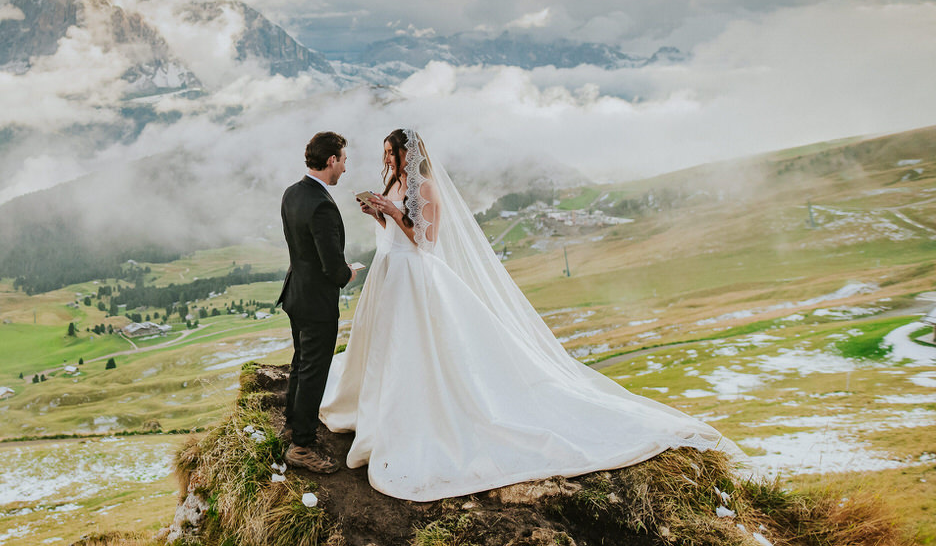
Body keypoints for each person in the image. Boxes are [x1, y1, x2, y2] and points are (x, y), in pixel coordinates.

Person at [320, 128, 739, 501]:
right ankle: (377, 408)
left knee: (418, 347)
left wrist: (394, 213)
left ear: (410, 154)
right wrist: (379, 213)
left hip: (415, 276)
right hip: (390, 274)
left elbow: (426, 242)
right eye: (386, 153)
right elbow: (394, 230)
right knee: (386, 346)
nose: (387, 159)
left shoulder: (426, 187)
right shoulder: (394, 182)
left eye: (392, 152)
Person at [277, 131, 357, 474]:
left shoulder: (292, 193)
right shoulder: (322, 205)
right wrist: (350, 273)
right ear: (330, 161)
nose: (344, 168)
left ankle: (293, 426)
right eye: (343, 161)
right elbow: (333, 268)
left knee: (301, 363)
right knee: (314, 370)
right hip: (316, 302)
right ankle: (301, 447)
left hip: (296, 293)